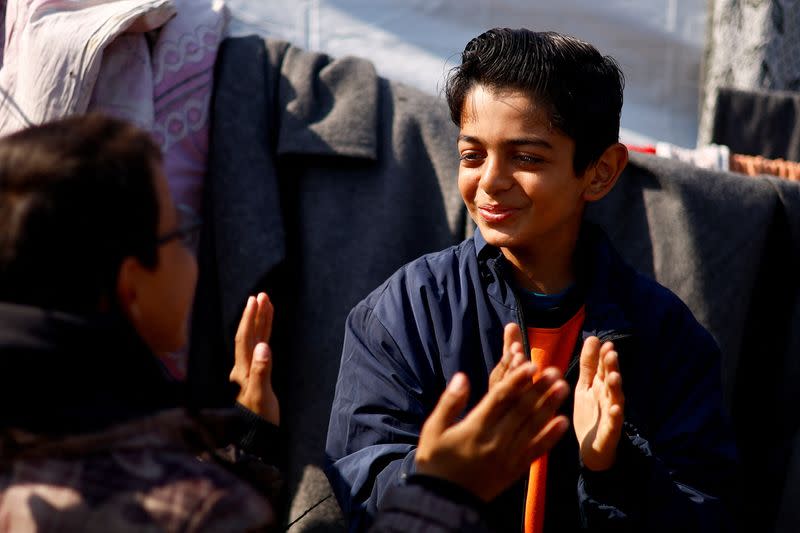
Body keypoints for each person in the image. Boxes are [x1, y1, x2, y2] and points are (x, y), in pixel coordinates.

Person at [326, 28, 738, 532]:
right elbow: (358, 495)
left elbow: (709, 515)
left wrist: (612, 464)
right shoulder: (401, 314)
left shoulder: (667, 336)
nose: (491, 181)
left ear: (600, 172)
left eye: (526, 158)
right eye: (472, 154)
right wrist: (446, 469)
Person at [0, 114, 281, 531]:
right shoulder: (204, 513)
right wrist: (416, 492)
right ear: (130, 288)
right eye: (178, 234)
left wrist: (245, 443)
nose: (191, 258)